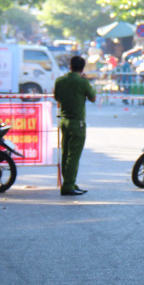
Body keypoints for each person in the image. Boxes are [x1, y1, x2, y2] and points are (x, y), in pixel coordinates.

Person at [53, 55, 96, 196]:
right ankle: (68, 184)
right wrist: (87, 81)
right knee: (74, 155)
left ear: (70, 66)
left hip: (64, 120)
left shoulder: (60, 81)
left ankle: (69, 182)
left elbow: (57, 97)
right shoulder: (82, 82)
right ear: (82, 68)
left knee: (65, 153)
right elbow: (93, 97)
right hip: (77, 123)